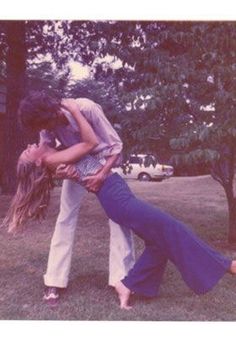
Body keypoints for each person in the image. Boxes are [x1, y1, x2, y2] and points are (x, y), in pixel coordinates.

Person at [4, 98, 236, 310]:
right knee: (170, 228)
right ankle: (226, 266)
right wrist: (71, 169)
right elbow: (89, 143)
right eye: (28, 152)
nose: (31, 144)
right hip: (114, 196)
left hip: (112, 184)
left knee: (158, 241)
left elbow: (111, 145)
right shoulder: (50, 155)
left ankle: (128, 283)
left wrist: (85, 172)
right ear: (37, 163)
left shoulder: (82, 115)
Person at [17, 91, 135, 305]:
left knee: (119, 219)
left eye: (47, 126)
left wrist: (101, 174)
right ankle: (54, 280)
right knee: (65, 218)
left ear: (53, 114)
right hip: (76, 164)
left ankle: (123, 278)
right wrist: (63, 169)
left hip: (106, 165)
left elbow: (116, 146)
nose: (46, 131)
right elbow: (49, 154)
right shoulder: (45, 124)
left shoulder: (86, 108)